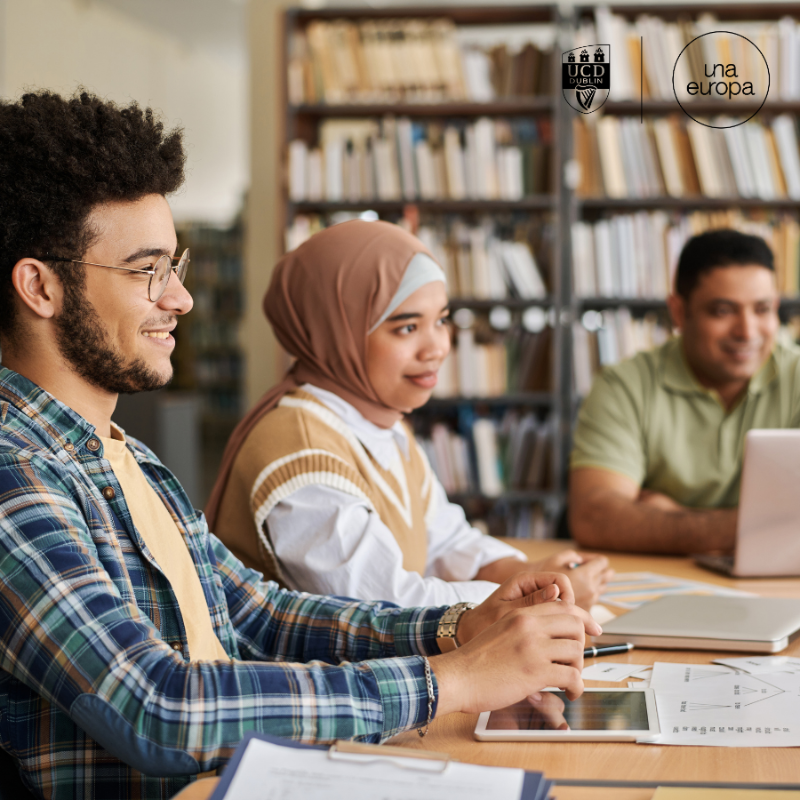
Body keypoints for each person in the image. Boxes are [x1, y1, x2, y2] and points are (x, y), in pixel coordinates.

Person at [0, 90, 602, 800]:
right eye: (146, 270)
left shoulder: (124, 456)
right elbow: (157, 707)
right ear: (40, 287)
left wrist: (461, 627)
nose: (181, 299)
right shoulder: (16, 475)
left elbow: (258, 614)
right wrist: (456, 679)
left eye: (176, 266)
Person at [206, 221, 611, 612]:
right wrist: (531, 596)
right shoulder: (298, 451)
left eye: (441, 320)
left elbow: (448, 543)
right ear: (336, 332)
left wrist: (535, 575)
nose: (436, 347)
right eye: (406, 328)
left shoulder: (382, 424)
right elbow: (388, 608)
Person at [569, 229, 800, 555]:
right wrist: (764, 526)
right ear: (679, 312)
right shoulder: (625, 385)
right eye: (722, 310)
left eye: (762, 309)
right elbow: (595, 516)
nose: (747, 331)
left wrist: (673, 516)